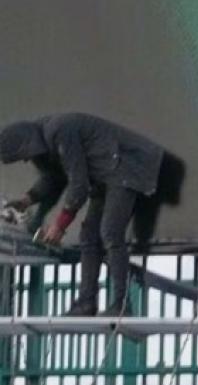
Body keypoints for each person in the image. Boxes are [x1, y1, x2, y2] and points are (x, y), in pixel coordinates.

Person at [0, 113, 166, 317]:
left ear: (28, 143)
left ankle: (122, 306)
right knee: (88, 237)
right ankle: (86, 303)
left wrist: (60, 225)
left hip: (125, 168)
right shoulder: (45, 138)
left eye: (24, 155)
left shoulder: (59, 131)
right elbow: (54, 177)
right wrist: (27, 200)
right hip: (105, 176)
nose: (26, 160)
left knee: (110, 232)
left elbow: (78, 184)